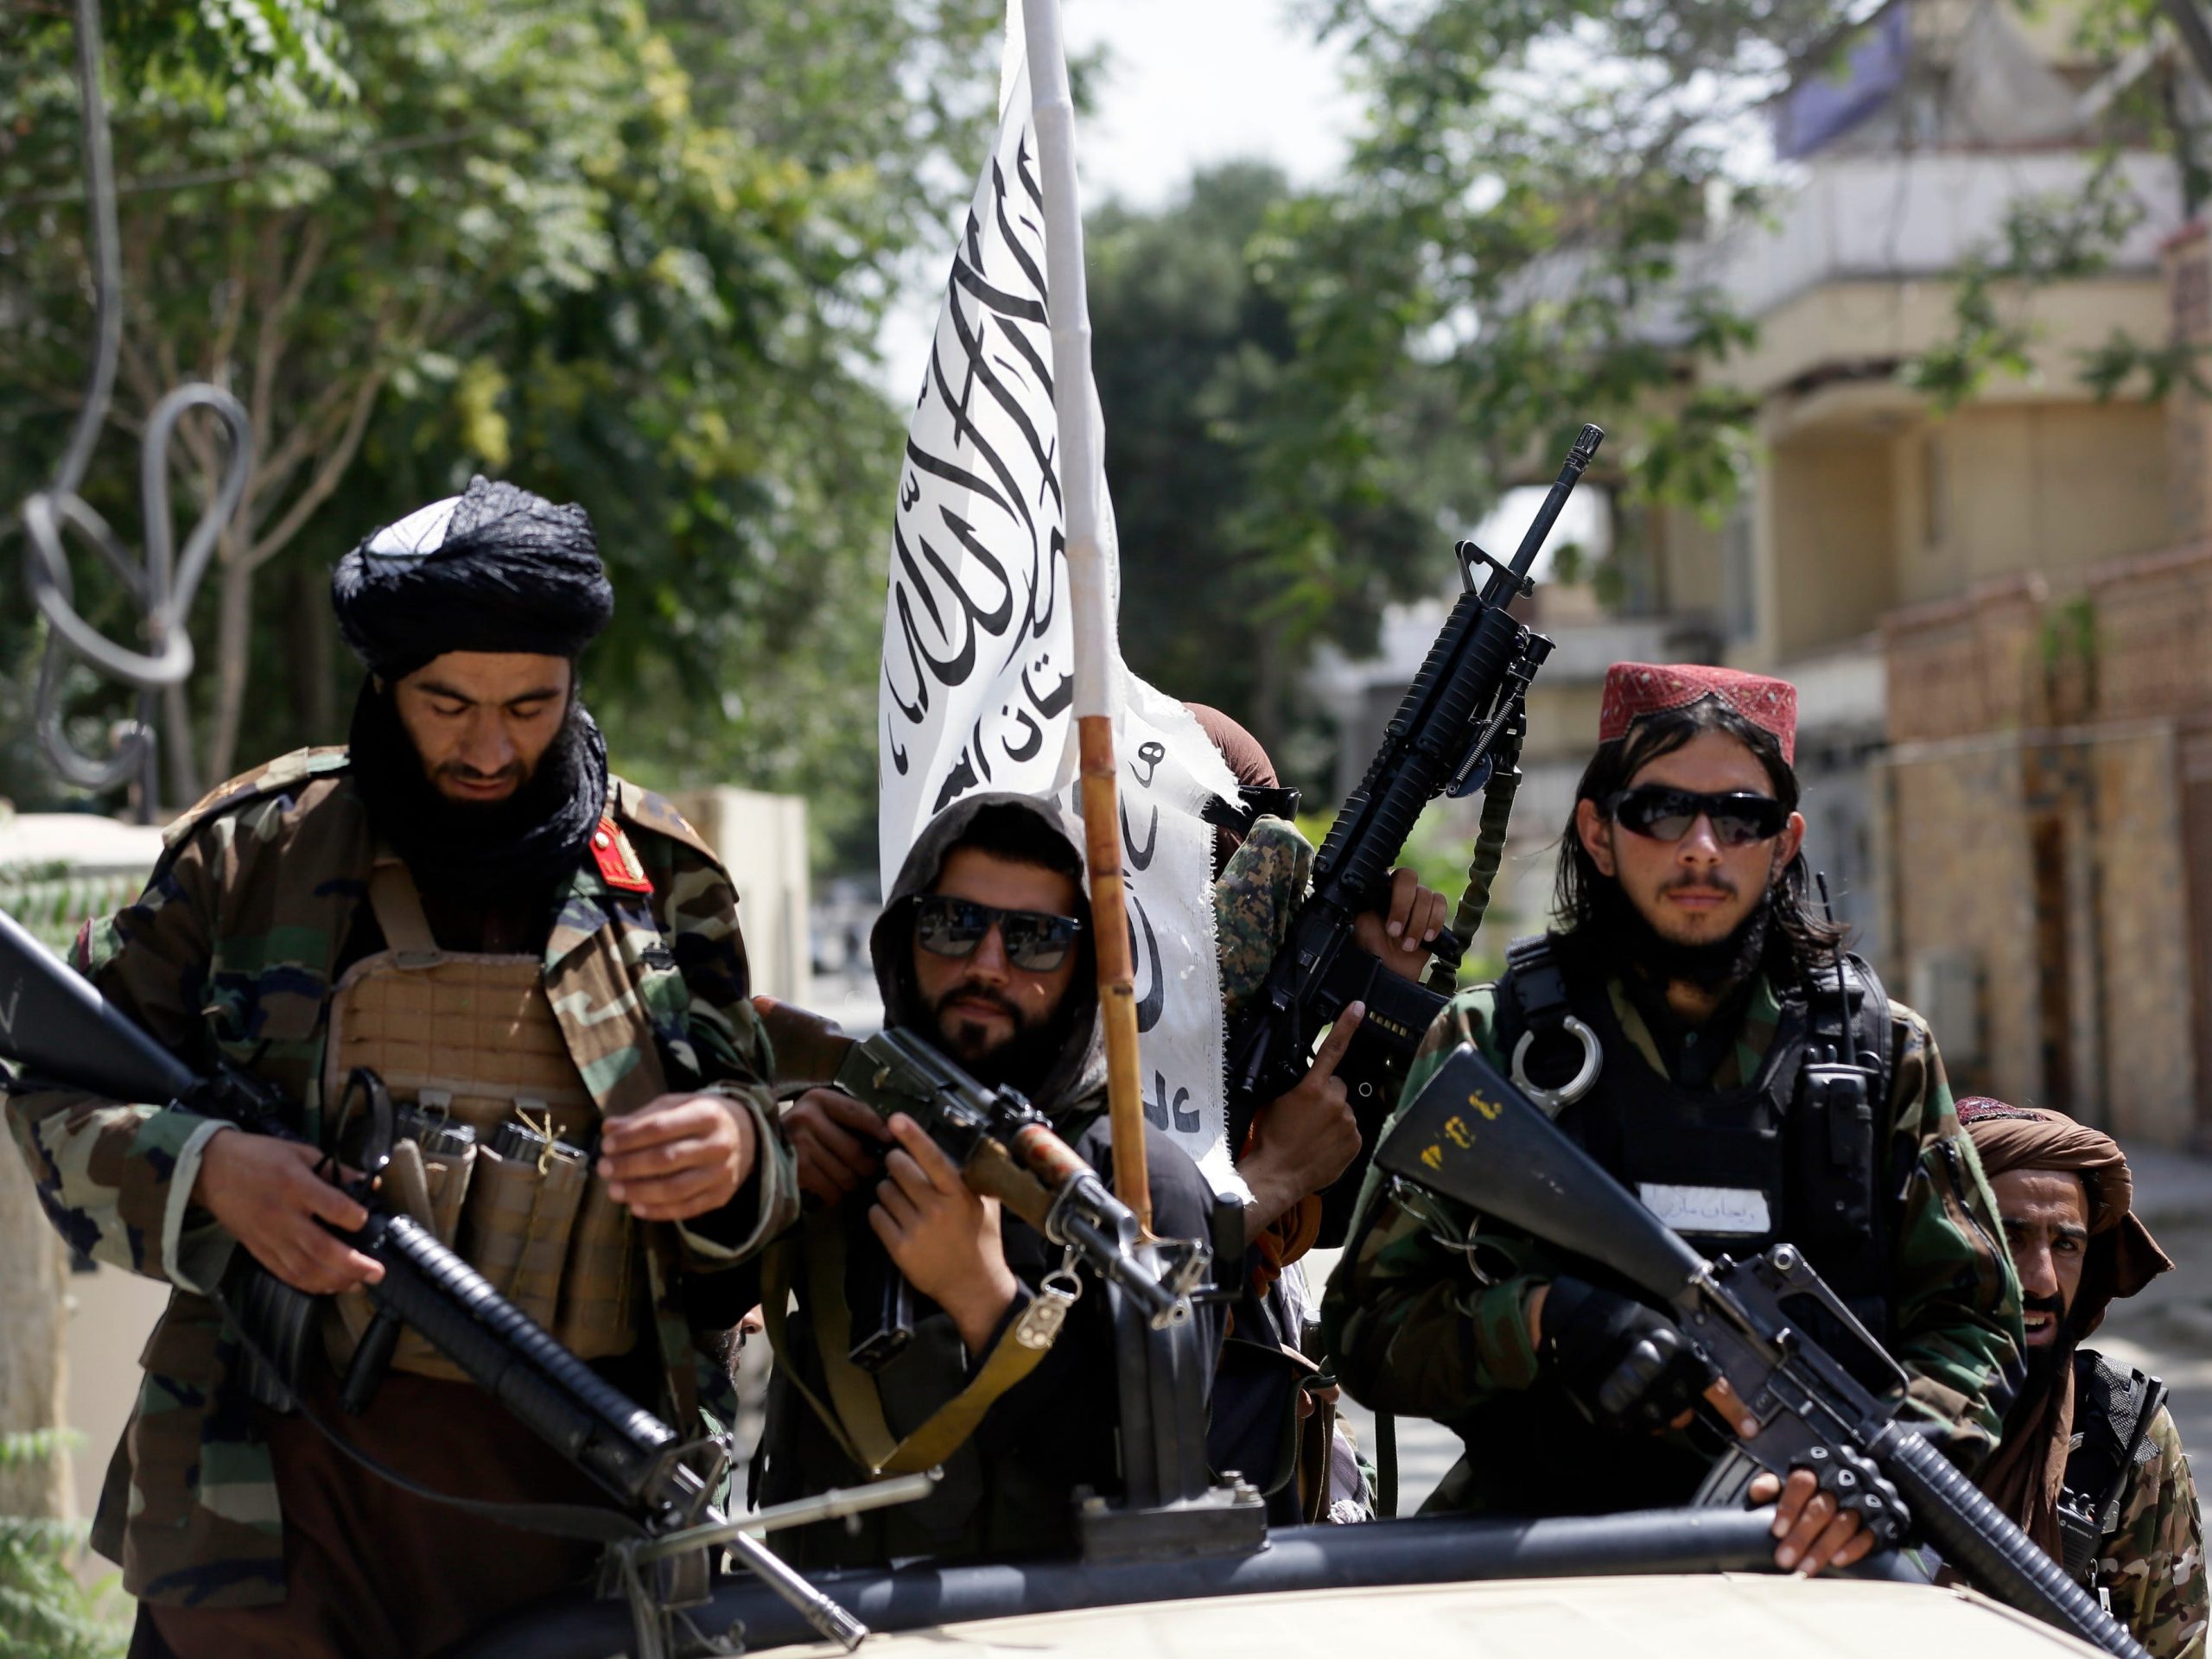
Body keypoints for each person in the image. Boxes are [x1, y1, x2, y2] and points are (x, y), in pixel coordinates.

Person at [4, 479, 797, 1659]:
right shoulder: (251, 855)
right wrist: (209, 1171)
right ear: (386, 684)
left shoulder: (662, 881)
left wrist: (736, 1157)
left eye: (533, 705)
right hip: (272, 1515)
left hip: (582, 1523)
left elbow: (764, 1163)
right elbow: (59, 1094)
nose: (490, 746)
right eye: (447, 703)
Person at [1322, 661, 2024, 1574]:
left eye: (1741, 817)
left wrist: (1869, 1476)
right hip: (1543, 1566)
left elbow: (1975, 1326)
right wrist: (1544, 1320)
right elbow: (1367, 1330)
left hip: (1805, 1566)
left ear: (1783, 842)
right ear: (1598, 833)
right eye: (1660, 811)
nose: (1702, 846)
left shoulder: (1878, 1057)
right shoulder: (1497, 1046)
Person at [760, 791, 1225, 1567]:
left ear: (1087, 972)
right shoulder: (834, 1133)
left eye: (1037, 940)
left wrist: (987, 1300)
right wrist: (761, 1168)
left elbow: (1155, 1491)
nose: (986, 965)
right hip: (822, 1618)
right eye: (954, 924)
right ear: (905, 938)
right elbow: (681, 1310)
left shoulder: (1138, 1188)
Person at [1958, 1098, 2206, 1657]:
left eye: (2066, 1244)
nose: (2042, 1279)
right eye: (2009, 1237)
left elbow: (2172, 1648)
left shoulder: (2121, 1427)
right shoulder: (1851, 1408)